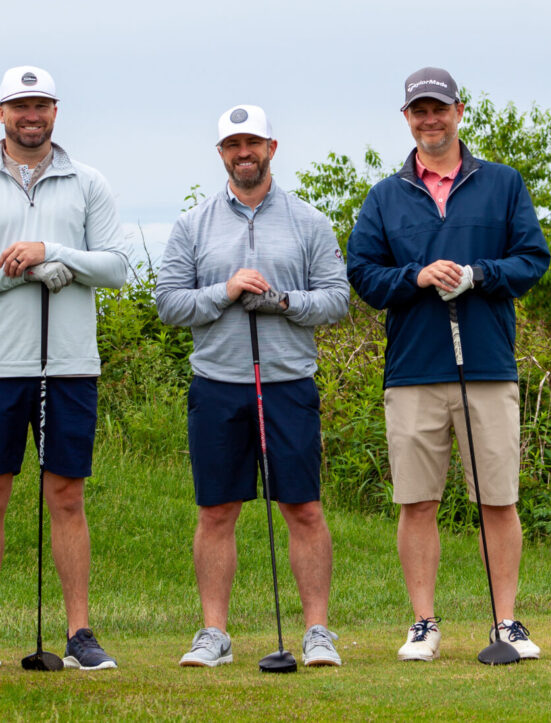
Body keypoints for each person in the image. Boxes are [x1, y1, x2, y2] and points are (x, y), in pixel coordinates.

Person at [348, 67, 550, 662]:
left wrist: (478, 274)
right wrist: (415, 276)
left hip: (487, 364)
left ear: (460, 111)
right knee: (417, 501)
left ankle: (507, 622)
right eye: (419, 111)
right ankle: (423, 623)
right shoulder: (386, 195)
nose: (430, 119)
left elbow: (532, 259)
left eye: (439, 109)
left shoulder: (503, 183)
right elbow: (363, 275)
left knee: (498, 498)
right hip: (414, 369)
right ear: (406, 118)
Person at [0, 66, 128, 672]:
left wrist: (57, 254)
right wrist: (16, 268)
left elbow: (116, 266)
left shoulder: (88, 182)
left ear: (54, 111)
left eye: (41, 104)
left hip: (68, 364)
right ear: (1, 113)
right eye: (20, 105)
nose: (31, 114)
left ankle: (79, 633)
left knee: (66, 495)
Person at [156, 105, 350, 668]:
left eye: (254, 143)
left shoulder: (309, 221)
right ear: (221, 153)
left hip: (288, 383)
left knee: (304, 508)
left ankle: (317, 632)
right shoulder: (193, 224)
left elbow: (336, 299)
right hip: (218, 383)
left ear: (272, 147)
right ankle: (214, 633)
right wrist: (225, 291)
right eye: (233, 144)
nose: (244, 153)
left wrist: (286, 302)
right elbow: (170, 303)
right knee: (217, 511)